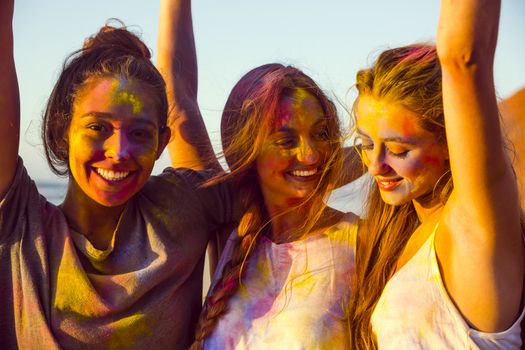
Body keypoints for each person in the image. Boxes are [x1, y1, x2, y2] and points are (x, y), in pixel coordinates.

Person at [0, 0, 237, 348]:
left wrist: (350, 148)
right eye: (97, 127)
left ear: (161, 143)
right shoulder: (20, 223)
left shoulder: (182, 210)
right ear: (62, 127)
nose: (119, 152)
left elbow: (293, 171)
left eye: (140, 133)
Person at [157, 1, 362, 349]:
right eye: (285, 140)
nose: (310, 154)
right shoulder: (230, 223)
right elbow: (176, 100)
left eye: (322, 133)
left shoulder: (361, 242)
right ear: (249, 151)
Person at [348, 0, 525, 348]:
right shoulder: (404, 236)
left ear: (450, 142)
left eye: (399, 151)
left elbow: (463, 58)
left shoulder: (473, 227)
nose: (375, 165)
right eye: (366, 144)